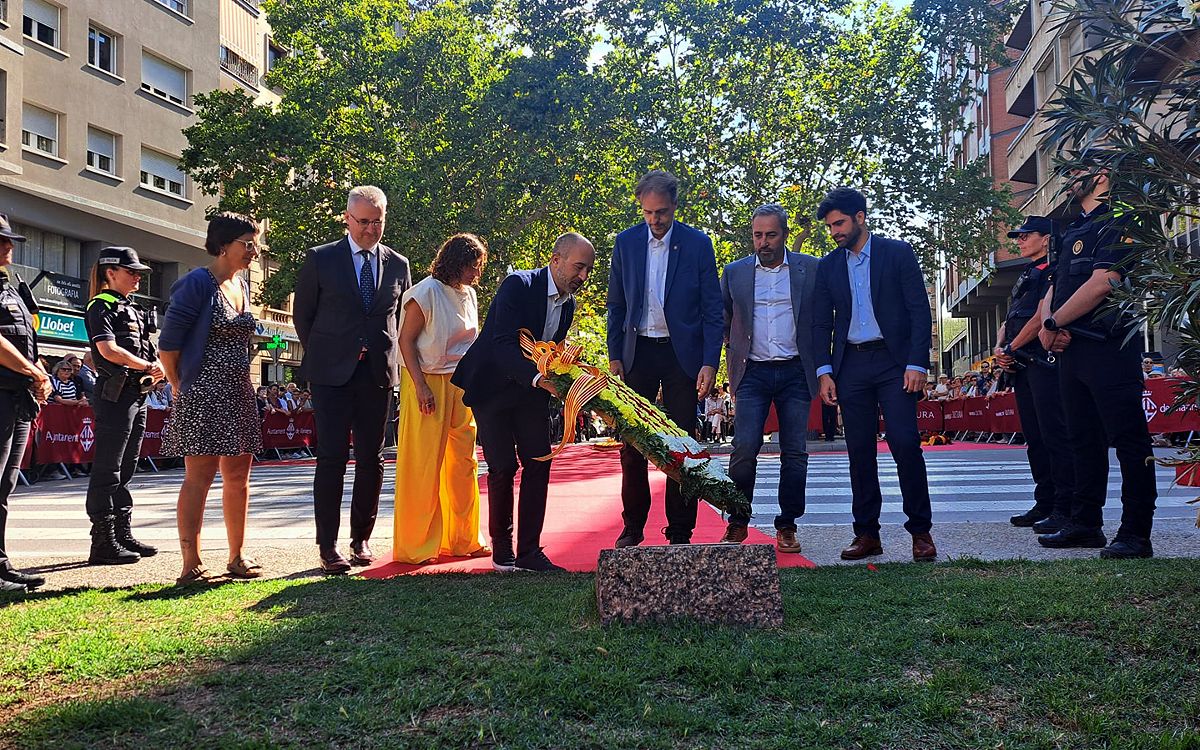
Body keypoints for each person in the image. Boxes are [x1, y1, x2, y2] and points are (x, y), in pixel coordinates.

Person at [452, 233, 596, 572]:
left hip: (531, 393)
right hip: (491, 387)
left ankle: (530, 552)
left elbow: (551, 354)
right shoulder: (517, 285)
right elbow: (502, 344)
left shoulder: (569, 304)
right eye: (578, 267)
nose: (583, 276)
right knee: (502, 467)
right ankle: (503, 551)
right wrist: (539, 379)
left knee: (539, 462)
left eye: (588, 269)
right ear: (556, 260)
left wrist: (565, 381)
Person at [811, 187, 936, 562]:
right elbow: (821, 324)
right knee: (859, 451)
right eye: (830, 226)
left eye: (840, 223)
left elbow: (918, 309)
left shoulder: (897, 253)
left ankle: (921, 532)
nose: (834, 231)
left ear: (860, 218)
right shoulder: (829, 266)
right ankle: (866, 534)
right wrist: (824, 372)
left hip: (894, 363)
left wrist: (917, 363)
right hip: (851, 365)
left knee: (904, 443)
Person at [1036, 167, 1156, 558]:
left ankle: (1136, 533)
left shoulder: (1121, 218)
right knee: (1081, 439)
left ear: (1102, 175)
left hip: (1109, 347)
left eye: (1078, 171)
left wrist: (1055, 322)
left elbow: (1104, 281)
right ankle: (1085, 524)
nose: (1070, 178)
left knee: (1128, 441)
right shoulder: (1074, 228)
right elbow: (1054, 286)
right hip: (1070, 349)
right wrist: (1047, 326)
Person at [294, 185, 412, 574]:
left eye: (377, 222)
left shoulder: (398, 264)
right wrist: (328, 354)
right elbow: (303, 317)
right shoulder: (320, 259)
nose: (370, 229)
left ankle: (361, 537)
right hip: (331, 374)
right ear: (348, 219)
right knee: (331, 458)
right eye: (363, 222)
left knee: (372, 458)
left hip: (378, 374)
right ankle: (327, 545)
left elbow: (400, 318)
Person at [607, 170, 722, 547]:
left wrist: (709, 361)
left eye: (661, 212)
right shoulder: (625, 244)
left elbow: (712, 308)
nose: (655, 220)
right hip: (637, 352)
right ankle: (633, 526)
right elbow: (617, 305)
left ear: (675, 206)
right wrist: (614, 356)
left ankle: (680, 530)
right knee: (633, 444)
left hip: (681, 355)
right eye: (648, 213)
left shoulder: (698, 243)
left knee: (682, 445)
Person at [159, 212, 265, 584]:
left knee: (239, 475)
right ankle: (191, 561)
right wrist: (178, 385)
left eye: (255, 243)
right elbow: (168, 346)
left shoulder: (242, 284)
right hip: (203, 392)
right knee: (198, 477)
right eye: (247, 244)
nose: (254, 250)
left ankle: (237, 555)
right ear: (223, 245)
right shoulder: (197, 284)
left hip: (238, 390)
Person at [719, 203, 819, 553]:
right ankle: (737, 520)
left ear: (785, 235)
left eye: (770, 234)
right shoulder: (734, 273)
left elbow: (824, 318)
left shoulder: (811, 268)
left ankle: (787, 524)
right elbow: (724, 318)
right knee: (744, 447)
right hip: (752, 373)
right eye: (757, 235)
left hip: (795, 371)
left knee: (795, 452)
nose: (763, 242)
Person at [393, 233, 490, 564]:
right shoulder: (426, 292)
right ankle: (417, 545)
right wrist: (420, 386)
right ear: (457, 262)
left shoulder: (470, 294)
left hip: (460, 383)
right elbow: (405, 341)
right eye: (474, 267)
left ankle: (464, 539)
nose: (477, 274)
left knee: (464, 463)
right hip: (427, 379)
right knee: (423, 464)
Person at [993, 216, 1077, 532]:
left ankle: (1063, 506)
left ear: (1046, 239)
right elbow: (1011, 317)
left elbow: (1040, 318)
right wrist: (1001, 348)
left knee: (1054, 436)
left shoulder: (1055, 270)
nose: (1020, 240)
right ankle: (1045, 501)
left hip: (1043, 362)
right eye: (1018, 235)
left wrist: (1012, 347)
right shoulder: (1027, 272)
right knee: (1035, 438)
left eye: (1027, 235)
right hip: (1021, 365)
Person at [83, 246, 163, 565]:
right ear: (110, 273)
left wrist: (156, 366)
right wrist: (146, 366)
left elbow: (146, 347)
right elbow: (107, 349)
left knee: (127, 465)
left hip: (136, 394)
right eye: (131, 272)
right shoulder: (100, 305)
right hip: (115, 394)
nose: (137, 278)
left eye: (139, 273)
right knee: (109, 467)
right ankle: (102, 540)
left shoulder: (132, 307)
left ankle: (121, 532)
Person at [0, 215, 52, 591]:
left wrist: (38, 373)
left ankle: (0, 563)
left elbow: (25, 338)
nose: (8, 246)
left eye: (9, 239)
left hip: (16, 397)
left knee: (5, 484)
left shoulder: (12, 287)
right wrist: (35, 373)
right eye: (0, 240)